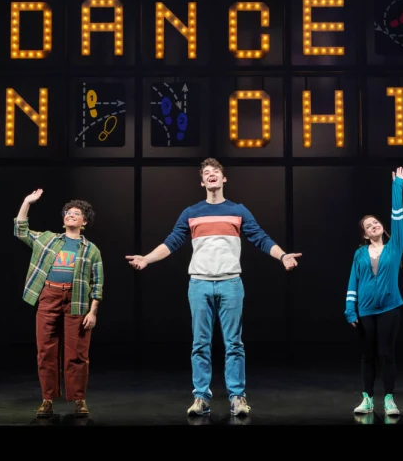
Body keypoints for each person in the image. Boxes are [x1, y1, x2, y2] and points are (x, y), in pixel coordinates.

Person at [126, 158, 302, 417]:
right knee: (200, 343)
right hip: (199, 283)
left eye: (215, 172)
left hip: (231, 283)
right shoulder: (191, 212)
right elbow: (172, 241)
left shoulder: (239, 210)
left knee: (234, 344)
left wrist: (283, 255)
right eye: (206, 173)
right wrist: (146, 259)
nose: (211, 175)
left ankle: (237, 398)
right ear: (202, 182)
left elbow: (260, 237)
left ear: (223, 178)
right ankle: (201, 398)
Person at [14, 189, 103, 418]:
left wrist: (93, 312)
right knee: (45, 351)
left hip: (77, 300)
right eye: (68, 212)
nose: (71, 215)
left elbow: (97, 284)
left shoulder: (91, 250)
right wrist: (27, 202)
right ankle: (47, 399)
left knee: (77, 353)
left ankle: (79, 399)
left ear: (84, 222)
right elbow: (21, 230)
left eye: (76, 214)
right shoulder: (48, 239)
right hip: (49, 296)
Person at [346, 167, 403, 417]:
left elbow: (398, 217)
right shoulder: (359, 254)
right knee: (367, 356)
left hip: (390, 309)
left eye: (376, 222)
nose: (374, 226)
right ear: (364, 233)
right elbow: (353, 282)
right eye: (368, 225)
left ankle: (390, 399)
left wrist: (397, 186)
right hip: (365, 311)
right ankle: (368, 399)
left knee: (386, 354)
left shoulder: (395, 247)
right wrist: (350, 310)